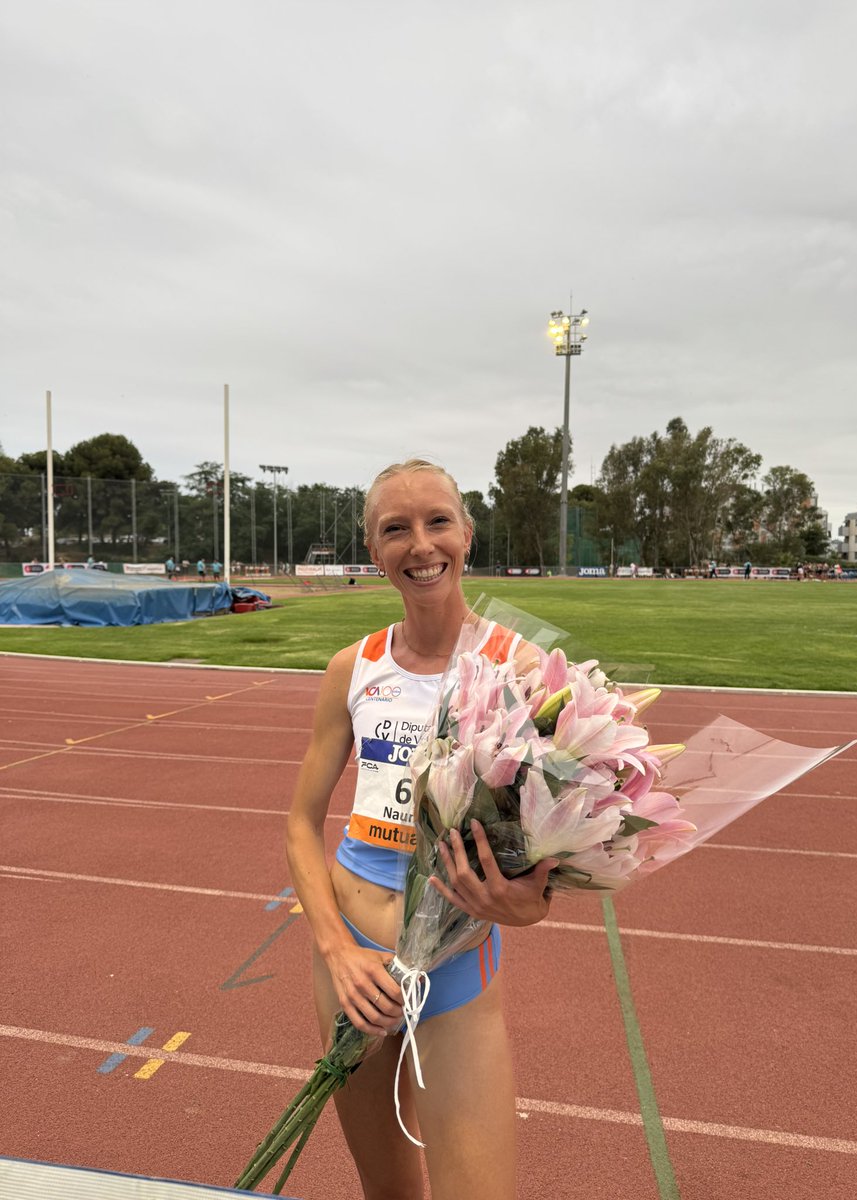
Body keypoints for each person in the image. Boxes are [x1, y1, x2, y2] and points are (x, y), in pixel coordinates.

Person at [284, 459, 556, 1200]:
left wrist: (526, 904)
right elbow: (301, 827)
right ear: (373, 551)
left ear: (467, 534)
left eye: (437, 521)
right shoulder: (353, 668)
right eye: (394, 529)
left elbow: (548, 862)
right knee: (390, 1195)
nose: (420, 544)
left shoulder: (521, 666)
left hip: (456, 967)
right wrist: (337, 950)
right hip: (355, 968)